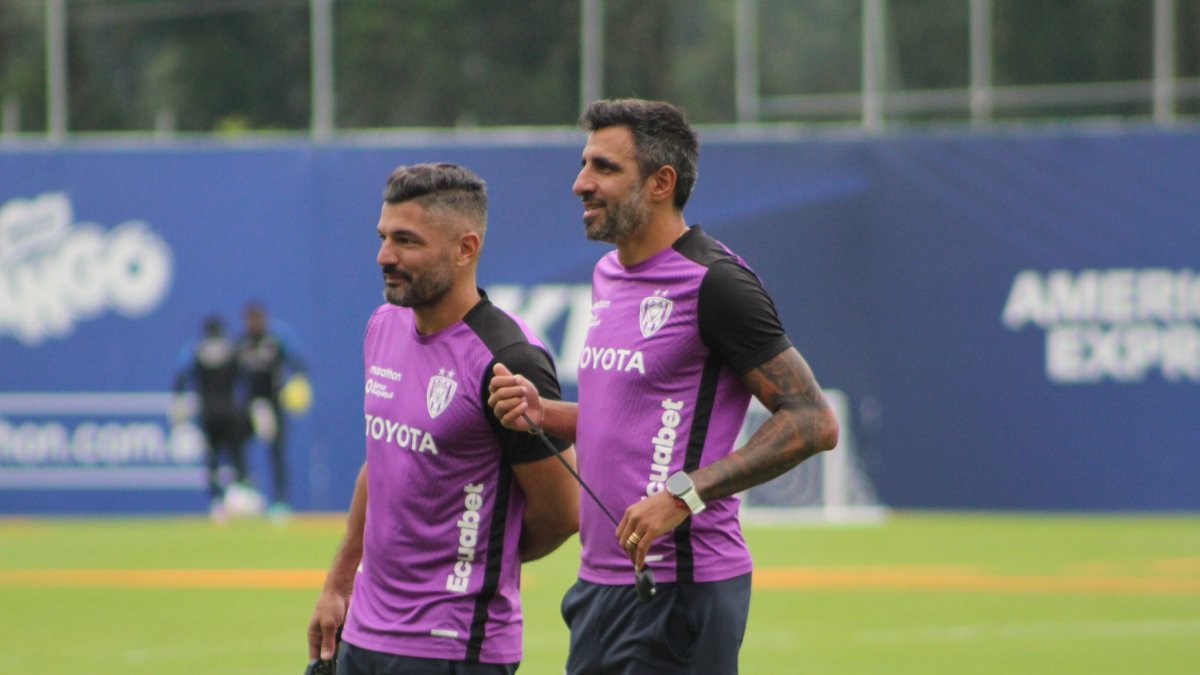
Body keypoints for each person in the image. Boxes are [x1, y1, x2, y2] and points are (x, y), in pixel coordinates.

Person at [487, 98, 841, 674]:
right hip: (600, 587)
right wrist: (543, 412)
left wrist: (684, 495)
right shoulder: (608, 274)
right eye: (584, 164)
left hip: (680, 590)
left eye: (604, 167)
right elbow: (629, 418)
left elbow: (813, 420)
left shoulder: (716, 283)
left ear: (661, 182)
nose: (581, 183)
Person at [306, 163, 580, 674]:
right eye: (384, 237)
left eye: (407, 241)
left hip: (453, 646)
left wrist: (467, 568)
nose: (385, 256)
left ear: (465, 248)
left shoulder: (510, 359)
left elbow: (562, 512)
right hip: (362, 634)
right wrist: (339, 583)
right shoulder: (383, 324)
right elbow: (383, 462)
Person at [172, 315, 248, 523]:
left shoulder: (196, 350)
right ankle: (238, 496)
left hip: (208, 413)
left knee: (213, 459)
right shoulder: (232, 349)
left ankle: (217, 502)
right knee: (236, 455)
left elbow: (181, 377)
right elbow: (244, 378)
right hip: (230, 412)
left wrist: (179, 403)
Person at [236, 300, 307, 518]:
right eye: (251, 320)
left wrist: (296, 386)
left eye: (258, 319)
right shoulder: (241, 344)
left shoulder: (274, 342)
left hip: (273, 404)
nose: (255, 323)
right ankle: (245, 496)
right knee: (238, 447)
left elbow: (298, 366)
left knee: (277, 454)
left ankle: (280, 502)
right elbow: (233, 374)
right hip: (251, 405)